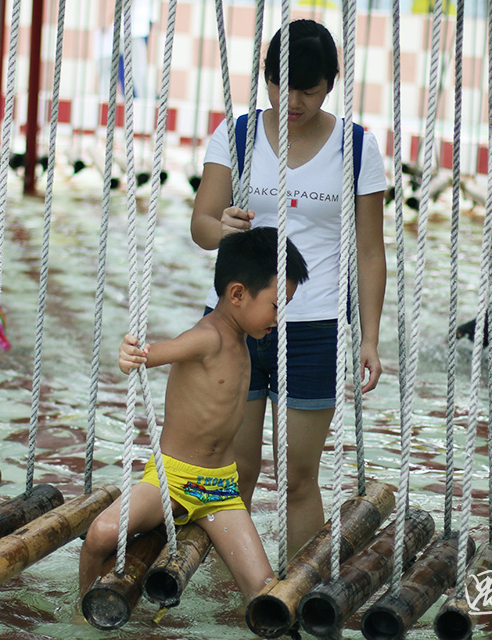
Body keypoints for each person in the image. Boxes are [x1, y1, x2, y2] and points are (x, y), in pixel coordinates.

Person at [189, 19, 387, 555]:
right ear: (265, 77)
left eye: (308, 88)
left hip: (314, 327)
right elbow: (201, 225)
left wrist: (369, 338)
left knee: (299, 478)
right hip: (234, 325)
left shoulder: (356, 147)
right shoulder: (236, 134)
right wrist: (223, 225)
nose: (292, 99)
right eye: (280, 85)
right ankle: (229, 597)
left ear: (330, 84)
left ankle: (297, 596)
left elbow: (370, 251)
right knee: (236, 471)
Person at [78, 227, 309, 606]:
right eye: (275, 306)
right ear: (237, 294)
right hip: (173, 480)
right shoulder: (208, 337)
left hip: (220, 490)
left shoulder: (244, 340)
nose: (280, 318)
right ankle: (83, 607)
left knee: (264, 590)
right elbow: (149, 355)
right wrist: (130, 354)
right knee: (102, 534)